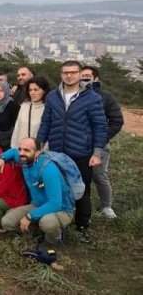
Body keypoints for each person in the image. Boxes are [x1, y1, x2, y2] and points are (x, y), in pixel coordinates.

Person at [37, 60, 107, 243]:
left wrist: (97, 153)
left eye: (73, 72)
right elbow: (46, 122)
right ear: (61, 74)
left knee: (81, 191)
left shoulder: (92, 98)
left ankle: (82, 226)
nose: (69, 75)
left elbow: (100, 126)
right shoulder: (53, 96)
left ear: (80, 74)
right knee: (57, 189)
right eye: (65, 72)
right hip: (58, 152)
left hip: (81, 152)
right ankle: (60, 225)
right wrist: (39, 146)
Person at [0, 138, 75, 252]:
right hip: (38, 204)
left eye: (26, 150)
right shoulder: (25, 159)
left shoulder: (48, 169)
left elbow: (55, 204)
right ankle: (37, 230)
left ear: (38, 152)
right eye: (21, 149)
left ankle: (52, 240)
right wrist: (2, 159)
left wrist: (30, 216)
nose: (21, 153)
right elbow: (13, 152)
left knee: (47, 223)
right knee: (7, 222)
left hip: (61, 209)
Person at [81, 66, 124, 219]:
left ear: (96, 79)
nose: (84, 79)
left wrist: (103, 138)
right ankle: (80, 207)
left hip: (99, 145)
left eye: (88, 76)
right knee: (79, 176)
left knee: (100, 176)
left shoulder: (105, 97)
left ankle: (106, 206)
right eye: (82, 76)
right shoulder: (75, 95)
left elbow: (117, 120)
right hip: (78, 144)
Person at [10, 77, 50, 148]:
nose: (32, 93)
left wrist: (43, 151)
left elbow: (48, 133)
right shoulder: (24, 106)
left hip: (39, 153)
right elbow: (17, 129)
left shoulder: (48, 108)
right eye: (30, 90)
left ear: (44, 91)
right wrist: (14, 148)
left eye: (36, 90)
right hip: (21, 151)